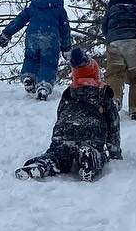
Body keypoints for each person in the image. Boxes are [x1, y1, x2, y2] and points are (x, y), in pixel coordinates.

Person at [16, 46, 122, 181]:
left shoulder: (68, 93)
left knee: (57, 156)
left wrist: (60, 136)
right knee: (100, 155)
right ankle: (90, 157)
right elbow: (113, 125)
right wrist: (114, 153)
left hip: (64, 134)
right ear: (96, 74)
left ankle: (42, 164)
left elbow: (60, 115)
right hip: (91, 135)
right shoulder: (103, 93)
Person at [0, 0, 73, 100]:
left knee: (30, 57)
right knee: (48, 62)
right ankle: (43, 87)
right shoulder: (59, 9)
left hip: (32, 36)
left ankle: (28, 76)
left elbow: (19, 20)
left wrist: (7, 33)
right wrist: (66, 48)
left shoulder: (33, 6)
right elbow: (65, 29)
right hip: (51, 38)